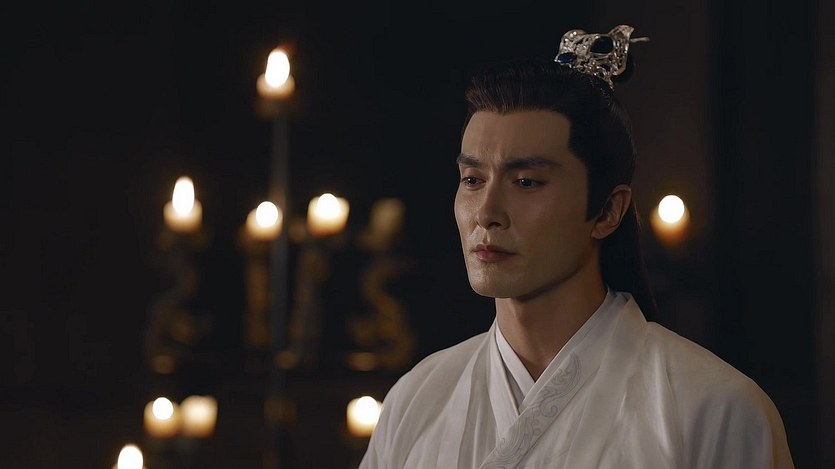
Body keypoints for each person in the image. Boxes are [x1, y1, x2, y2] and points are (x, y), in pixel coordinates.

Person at [359, 25, 794, 468]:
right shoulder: (416, 400)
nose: (486, 213)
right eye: (472, 180)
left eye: (526, 182)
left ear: (607, 211)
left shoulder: (714, 409)